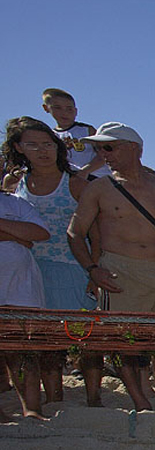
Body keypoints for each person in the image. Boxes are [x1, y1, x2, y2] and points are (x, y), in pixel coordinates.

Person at [67, 122, 155, 412]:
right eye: (99, 148)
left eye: (109, 147)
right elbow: (75, 232)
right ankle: (139, 400)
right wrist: (92, 268)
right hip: (119, 268)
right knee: (124, 338)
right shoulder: (100, 188)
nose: (103, 153)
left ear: (134, 149)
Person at [2, 117, 104, 406]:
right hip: (28, 269)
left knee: (86, 338)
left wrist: (93, 271)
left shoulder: (75, 183)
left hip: (73, 267)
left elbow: (95, 234)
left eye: (48, 144)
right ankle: (54, 399)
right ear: (19, 148)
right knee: (42, 342)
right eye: (33, 145)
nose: (42, 150)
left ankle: (94, 399)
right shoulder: (15, 184)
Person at [0, 191, 50, 421]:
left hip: (19, 287)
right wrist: (16, 234)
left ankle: (32, 408)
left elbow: (39, 233)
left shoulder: (15, 201)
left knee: (22, 350)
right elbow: (27, 235)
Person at [41, 88, 110, 178]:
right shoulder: (51, 136)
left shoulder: (87, 130)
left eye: (69, 109)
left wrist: (85, 171)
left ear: (76, 111)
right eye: (58, 108)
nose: (64, 113)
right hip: (70, 179)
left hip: (96, 177)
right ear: (46, 108)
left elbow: (104, 155)